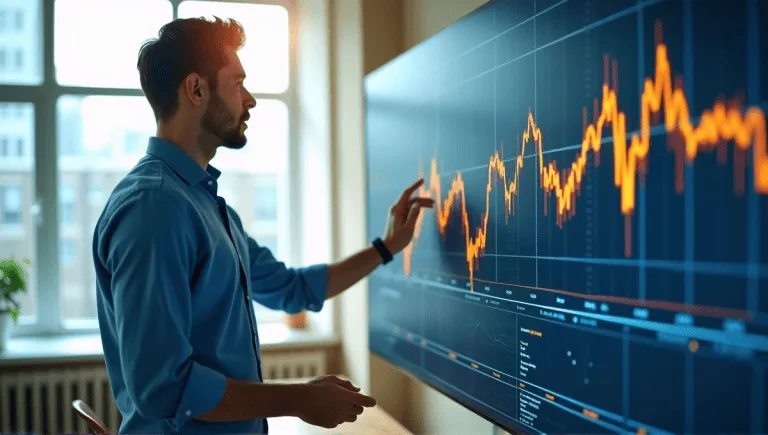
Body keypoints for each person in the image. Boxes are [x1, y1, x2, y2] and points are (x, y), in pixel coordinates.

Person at [92, 15, 434, 435]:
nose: (250, 100)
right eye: (237, 83)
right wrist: (299, 399)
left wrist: (387, 248)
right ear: (196, 89)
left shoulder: (205, 204)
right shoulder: (155, 208)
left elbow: (293, 289)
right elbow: (164, 389)